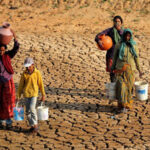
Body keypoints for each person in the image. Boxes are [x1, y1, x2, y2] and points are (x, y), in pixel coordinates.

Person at [111, 28, 143, 113]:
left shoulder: (134, 45)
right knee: (121, 87)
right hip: (120, 69)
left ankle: (127, 104)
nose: (127, 37)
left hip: (130, 70)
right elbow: (114, 57)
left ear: (131, 36)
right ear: (123, 35)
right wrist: (112, 68)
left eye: (129, 36)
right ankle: (121, 106)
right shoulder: (119, 44)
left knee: (129, 88)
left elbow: (136, 58)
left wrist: (139, 70)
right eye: (126, 35)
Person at [17, 57, 45, 133]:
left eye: (29, 66)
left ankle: (35, 125)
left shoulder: (37, 73)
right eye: (27, 66)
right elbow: (20, 85)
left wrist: (43, 94)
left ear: (33, 65)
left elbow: (40, 84)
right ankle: (32, 125)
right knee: (27, 112)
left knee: (32, 108)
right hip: (26, 94)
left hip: (34, 94)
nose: (28, 68)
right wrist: (18, 96)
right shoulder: (24, 74)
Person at [0, 30, 19, 129]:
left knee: (8, 101)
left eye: (3, 50)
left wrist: (15, 37)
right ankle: (1, 121)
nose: (1, 52)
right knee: (1, 102)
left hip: (7, 81)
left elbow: (16, 48)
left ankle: (8, 122)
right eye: (0, 50)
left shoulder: (7, 56)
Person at [95, 15, 124, 82]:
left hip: (121, 56)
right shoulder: (110, 31)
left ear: (121, 23)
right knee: (112, 73)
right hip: (111, 55)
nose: (117, 23)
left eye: (119, 21)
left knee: (122, 73)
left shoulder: (124, 32)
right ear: (113, 22)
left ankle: (121, 89)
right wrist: (98, 40)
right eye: (115, 21)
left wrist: (119, 30)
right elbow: (98, 36)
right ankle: (114, 88)